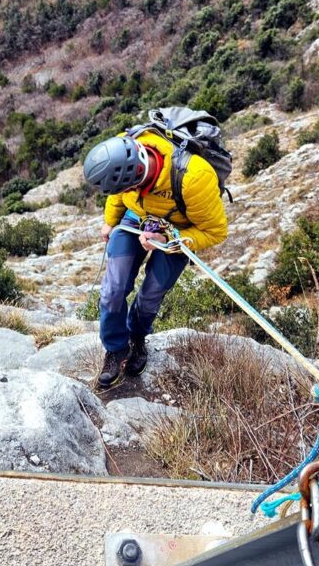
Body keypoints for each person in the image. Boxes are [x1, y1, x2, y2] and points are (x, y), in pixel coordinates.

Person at [83, 129, 228, 387]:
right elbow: (118, 193)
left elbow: (215, 231)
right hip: (135, 217)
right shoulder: (125, 145)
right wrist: (110, 221)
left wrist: (168, 239)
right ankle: (116, 348)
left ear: (137, 175)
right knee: (112, 290)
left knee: (151, 295)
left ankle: (137, 338)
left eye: (127, 187)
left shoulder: (195, 177)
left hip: (177, 229)